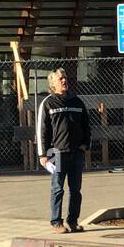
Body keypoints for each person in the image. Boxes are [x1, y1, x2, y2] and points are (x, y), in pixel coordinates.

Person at [37, 67, 91, 233]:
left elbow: (87, 125)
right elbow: (42, 131)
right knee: (58, 188)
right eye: (60, 78)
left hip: (77, 153)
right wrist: (43, 154)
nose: (64, 80)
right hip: (56, 154)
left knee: (76, 190)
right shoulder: (48, 103)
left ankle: (73, 221)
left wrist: (85, 145)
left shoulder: (77, 102)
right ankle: (56, 223)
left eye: (65, 77)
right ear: (52, 83)